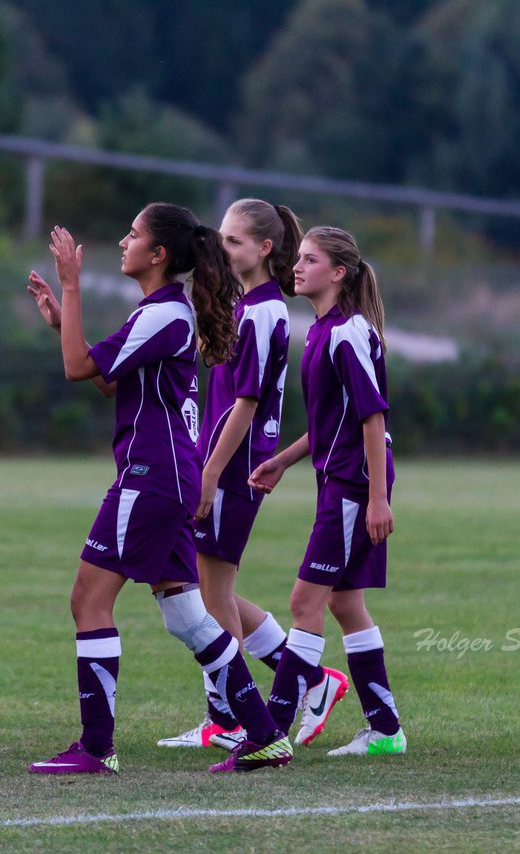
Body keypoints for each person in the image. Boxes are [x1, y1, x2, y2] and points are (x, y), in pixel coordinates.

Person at [25, 204, 293, 774]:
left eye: (133, 235)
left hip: (150, 476)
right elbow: (103, 380)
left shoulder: (166, 313)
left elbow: (77, 368)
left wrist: (71, 288)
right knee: (186, 615)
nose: (123, 242)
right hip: (167, 477)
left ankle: (96, 748)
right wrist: (59, 321)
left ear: (159, 254)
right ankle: (266, 735)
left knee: (88, 600)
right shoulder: (163, 312)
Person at [159, 199, 339, 751]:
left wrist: (210, 474)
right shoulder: (247, 306)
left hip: (234, 470)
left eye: (236, 241)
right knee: (215, 592)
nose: (225, 247)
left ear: (264, 249)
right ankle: (309, 678)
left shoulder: (264, 313)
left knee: (210, 598)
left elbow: (245, 404)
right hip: (224, 464)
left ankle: (231, 719)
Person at [248, 225, 406, 756]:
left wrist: (377, 497)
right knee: (344, 603)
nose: (298, 266)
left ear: (338, 273)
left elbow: (372, 414)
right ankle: (385, 730)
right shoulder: (319, 331)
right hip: (342, 478)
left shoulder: (345, 331)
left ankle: (269, 734)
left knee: (304, 600)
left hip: (354, 482)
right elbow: (331, 420)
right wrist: (284, 461)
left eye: (311, 260)